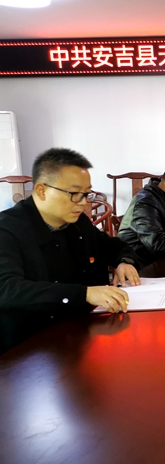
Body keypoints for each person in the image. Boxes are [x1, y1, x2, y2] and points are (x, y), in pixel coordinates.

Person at [0, 148, 140, 354]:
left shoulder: (76, 222)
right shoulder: (8, 229)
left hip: (83, 335)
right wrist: (84, 294)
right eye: (74, 194)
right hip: (31, 348)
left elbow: (112, 246)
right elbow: (7, 290)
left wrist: (125, 261)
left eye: (86, 194)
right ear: (41, 191)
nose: (83, 203)